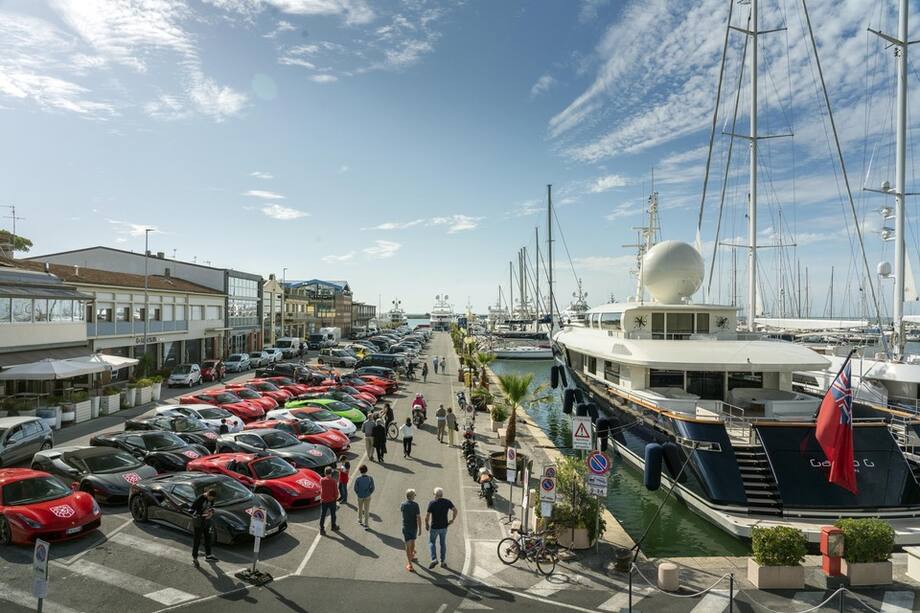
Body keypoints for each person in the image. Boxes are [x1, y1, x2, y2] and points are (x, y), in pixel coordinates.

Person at [425, 487, 458, 569]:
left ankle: (434, 559)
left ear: (435, 495)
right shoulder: (447, 502)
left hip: (434, 527)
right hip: (444, 526)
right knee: (442, 543)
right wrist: (452, 520)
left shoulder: (432, 503)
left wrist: (426, 524)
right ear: (442, 494)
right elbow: (455, 510)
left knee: (432, 542)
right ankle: (442, 562)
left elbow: (427, 516)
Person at [190, 488, 218, 566]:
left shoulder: (211, 499)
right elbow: (191, 510)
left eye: (212, 499)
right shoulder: (200, 499)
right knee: (197, 540)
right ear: (208, 495)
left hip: (207, 521)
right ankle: (194, 558)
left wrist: (211, 512)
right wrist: (202, 513)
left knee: (208, 537)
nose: (211, 500)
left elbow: (211, 507)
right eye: (210, 498)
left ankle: (208, 555)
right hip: (199, 522)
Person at [401, 489, 422, 572]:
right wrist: (420, 528)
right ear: (412, 496)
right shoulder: (416, 505)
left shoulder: (403, 505)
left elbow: (402, 511)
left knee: (408, 545)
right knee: (413, 542)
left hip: (406, 527)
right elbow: (418, 517)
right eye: (414, 495)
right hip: (414, 527)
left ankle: (410, 564)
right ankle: (412, 557)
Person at [319, 467, 339, 535]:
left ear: (325, 473)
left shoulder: (322, 480)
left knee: (323, 515)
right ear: (331, 473)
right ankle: (333, 526)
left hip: (324, 500)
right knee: (333, 514)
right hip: (331, 500)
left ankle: (322, 529)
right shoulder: (333, 481)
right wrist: (336, 499)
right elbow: (336, 492)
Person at [353, 464, 375, 529]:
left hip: (360, 496)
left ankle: (360, 519)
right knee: (366, 509)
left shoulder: (358, 479)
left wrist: (358, 493)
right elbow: (373, 487)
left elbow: (355, 488)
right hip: (367, 495)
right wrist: (369, 492)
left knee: (360, 508)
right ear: (366, 470)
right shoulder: (370, 478)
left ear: (360, 471)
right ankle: (366, 524)